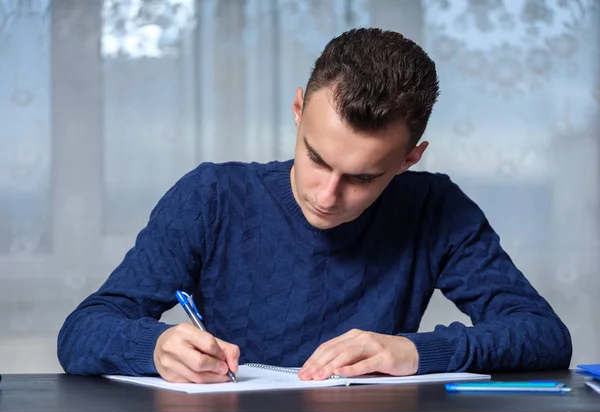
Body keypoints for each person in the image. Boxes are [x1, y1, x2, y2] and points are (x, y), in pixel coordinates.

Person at [57, 28, 572, 383]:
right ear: (299, 110)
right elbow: (82, 331)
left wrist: (416, 352)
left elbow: (544, 334)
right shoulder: (211, 197)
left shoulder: (436, 209)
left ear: (410, 159)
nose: (327, 196)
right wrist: (154, 348)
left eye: (363, 178)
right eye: (317, 158)